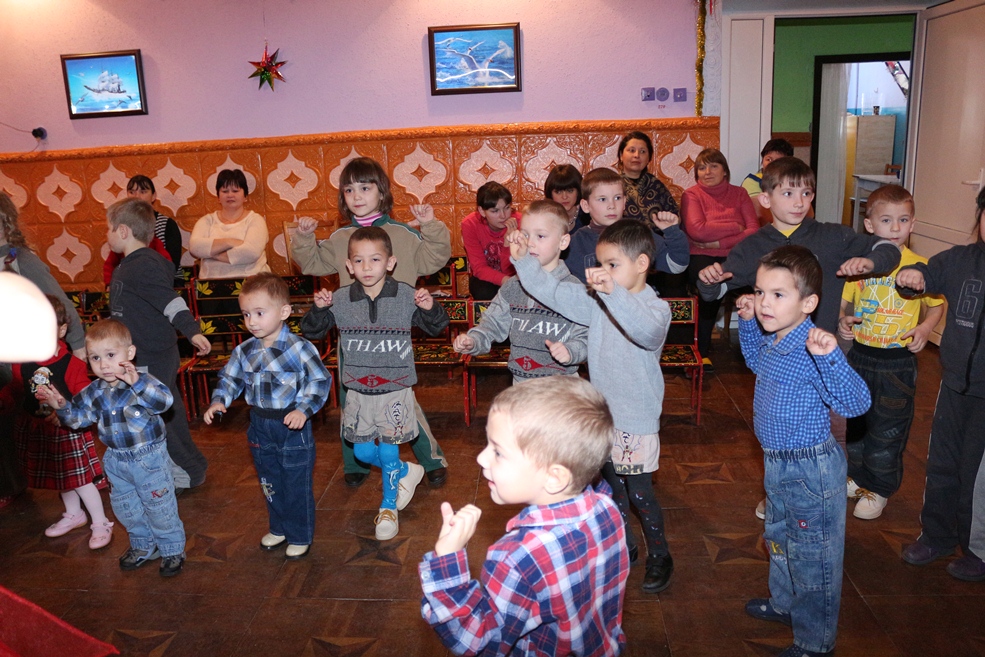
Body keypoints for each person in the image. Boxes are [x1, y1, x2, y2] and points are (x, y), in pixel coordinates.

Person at [697, 157, 900, 520]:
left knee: (834, 432)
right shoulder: (753, 246)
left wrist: (870, 263)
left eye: (806, 193)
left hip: (824, 354)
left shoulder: (834, 236)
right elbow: (717, 288)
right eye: (788, 193)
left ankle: (826, 498)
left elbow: (887, 248)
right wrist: (709, 280)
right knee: (778, 430)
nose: (799, 202)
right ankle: (779, 493)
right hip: (778, 358)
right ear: (766, 199)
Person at [512, 219, 675, 593]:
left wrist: (612, 293)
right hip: (604, 417)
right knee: (613, 491)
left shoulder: (656, 309)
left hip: (635, 422)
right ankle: (624, 545)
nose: (604, 272)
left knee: (640, 494)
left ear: (641, 264)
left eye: (612, 264)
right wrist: (523, 261)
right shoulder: (599, 301)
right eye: (601, 264)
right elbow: (553, 292)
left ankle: (660, 555)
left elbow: (645, 333)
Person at [420, 376, 628, 656]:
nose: (481, 458)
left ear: (554, 477)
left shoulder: (516, 557)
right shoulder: (608, 508)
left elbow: (480, 642)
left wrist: (447, 560)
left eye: (498, 452)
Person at [735, 245, 870, 657]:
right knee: (778, 539)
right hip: (777, 464)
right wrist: (746, 324)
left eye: (778, 294)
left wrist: (831, 358)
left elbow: (856, 403)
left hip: (810, 470)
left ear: (808, 303)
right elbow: (756, 362)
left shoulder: (813, 348)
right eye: (760, 292)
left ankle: (815, 642)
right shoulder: (776, 341)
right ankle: (785, 603)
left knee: (813, 558)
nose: (764, 303)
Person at [291, 157, 451, 489]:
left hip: (393, 333)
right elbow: (312, 263)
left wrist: (431, 225)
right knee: (351, 397)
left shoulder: (403, 234)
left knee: (403, 402)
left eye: (365, 188)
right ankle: (355, 463)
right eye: (349, 190)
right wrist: (305, 239)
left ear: (382, 192)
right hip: (353, 334)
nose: (357, 196)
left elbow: (435, 257)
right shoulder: (340, 237)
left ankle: (430, 459)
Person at [300, 227, 449, 541]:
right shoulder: (341, 299)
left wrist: (429, 307)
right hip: (357, 392)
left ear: (390, 262)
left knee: (390, 453)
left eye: (375, 259)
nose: (367, 267)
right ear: (349, 266)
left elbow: (438, 327)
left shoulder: (406, 295)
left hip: (395, 390)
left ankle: (388, 506)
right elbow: (311, 330)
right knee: (363, 452)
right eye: (359, 260)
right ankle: (407, 471)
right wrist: (319, 308)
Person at [36, 319, 187, 577]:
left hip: (148, 458)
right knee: (126, 508)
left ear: (130, 353)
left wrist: (137, 383)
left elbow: (164, 403)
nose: (103, 364)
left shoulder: (143, 381)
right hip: (116, 459)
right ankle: (143, 545)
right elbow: (79, 420)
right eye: (95, 358)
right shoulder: (93, 391)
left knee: (159, 506)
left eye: (110, 355)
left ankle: (172, 549)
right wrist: (61, 406)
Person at [204, 273, 331, 560]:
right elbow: (230, 379)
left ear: (284, 312)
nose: (252, 321)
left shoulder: (299, 348)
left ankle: (299, 534)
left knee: (295, 484)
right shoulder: (244, 350)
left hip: (292, 426)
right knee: (269, 481)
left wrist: (303, 410)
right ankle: (279, 527)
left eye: (260, 313)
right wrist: (219, 401)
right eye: (246, 314)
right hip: (259, 425)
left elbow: (319, 381)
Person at [895, 186, 985, 582]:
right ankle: (937, 536)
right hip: (953, 386)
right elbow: (926, 276)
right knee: (942, 465)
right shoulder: (960, 260)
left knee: (978, 478)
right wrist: (912, 277)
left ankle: (979, 549)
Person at [838, 185, 944, 520]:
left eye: (903, 220)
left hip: (897, 364)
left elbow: (936, 305)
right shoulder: (862, 264)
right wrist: (842, 320)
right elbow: (843, 300)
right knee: (855, 424)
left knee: (888, 429)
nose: (896, 228)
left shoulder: (920, 266)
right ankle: (856, 478)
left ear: (913, 223)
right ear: (870, 225)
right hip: (859, 357)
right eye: (886, 220)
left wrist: (925, 329)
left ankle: (879, 488)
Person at [105, 198, 212, 490]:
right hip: (147, 354)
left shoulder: (142, 266)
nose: (107, 235)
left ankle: (185, 470)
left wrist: (192, 331)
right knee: (167, 411)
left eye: (109, 229)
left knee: (155, 415)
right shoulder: (133, 265)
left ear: (123, 231)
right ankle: (191, 465)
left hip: (152, 356)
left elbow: (170, 302)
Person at [0, 295, 112, 549]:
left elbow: (85, 398)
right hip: (39, 429)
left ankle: (100, 521)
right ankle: (74, 514)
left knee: (80, 481)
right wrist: (4, 399)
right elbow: (17, 389)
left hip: (66, 430)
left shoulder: (71, 364)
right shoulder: (21, 363)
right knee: (60, 478)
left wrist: (68, 410)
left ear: (61, 330)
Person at [0, 192, 87, 509]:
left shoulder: (19, 259)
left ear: (6, 222)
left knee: (50, 419)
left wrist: (78, 346)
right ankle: (13, 481)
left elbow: (60, 303)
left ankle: (85, 475)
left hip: (23, 357)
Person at [453, 201, 588, 383]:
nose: (530, 243)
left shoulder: (573, 289)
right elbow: (492, 324)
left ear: (563, 242)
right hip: (521, 386)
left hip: (561, 388)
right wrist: (474, 340)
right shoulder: (513, 286)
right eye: (525, 234)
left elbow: (586, 337)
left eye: (540, 236)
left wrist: (571, 351)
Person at [681, 148, 758, 370]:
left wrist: (718, 243)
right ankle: (701, 352)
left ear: (725, 171)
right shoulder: (691, 195)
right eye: (702, 168)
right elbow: (697, 231)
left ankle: (760, 350)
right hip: (701, 256)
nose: (707, 172)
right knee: (709, 288)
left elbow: (754, 231)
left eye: (714, 166)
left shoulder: (740, 194)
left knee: (761, 285)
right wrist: (735, 227)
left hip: (737, 255)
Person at [564, 167, 688, 286]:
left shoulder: (638, 233)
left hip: (633, 300)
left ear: (624, 202)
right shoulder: (574, 244)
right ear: (586, 206)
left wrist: (672, 231)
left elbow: (677, 265)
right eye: (602, 199)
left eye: (617, 198)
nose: (612, 205)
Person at [188, 169, 270, 280]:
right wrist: (230, 242)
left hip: (253, 283)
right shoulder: (207, 221)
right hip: (210, 282)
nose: (230, 195)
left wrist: (211, 253)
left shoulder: (255, 220)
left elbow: (251, 252)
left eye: (235, 191)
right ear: (218, 197)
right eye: (225, 191)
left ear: (245, 196)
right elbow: (195, 247)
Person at [103, 175, 183, 284]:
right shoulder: (123, 228)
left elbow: (171, 263)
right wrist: (110, 284)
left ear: (153, 196)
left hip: (166, 281)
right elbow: (110, 264)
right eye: (132, 192)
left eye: (143, 191)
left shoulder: (166, 224)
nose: (137, 196)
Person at [461, 181, 523, 300]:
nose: (503, 216)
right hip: (487, 278)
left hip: (516, 275)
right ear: (481, 211)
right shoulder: (470, 224)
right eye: (495, 211)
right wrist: (506, 281)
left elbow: (515, 268)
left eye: (507, 208)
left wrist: (508, 244)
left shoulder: (521, 222)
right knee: (483, 290)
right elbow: (479, 268)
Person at [616, 131, 679, 224]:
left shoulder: (656, 186)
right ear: (621, 155)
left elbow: (675, 217)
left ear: (649, 159)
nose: (637, 155)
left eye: (642, 151)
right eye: (632, 150)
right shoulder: (612, 185)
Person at [741, 139, 795, 226]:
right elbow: (760, 213)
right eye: (768, 159)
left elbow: (809, 213)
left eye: (778, 161)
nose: (772, 164)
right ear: (762, 160)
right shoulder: (752, 181)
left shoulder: (793, 181)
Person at [544, 164, 589, 233]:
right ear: (550, 194)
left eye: (570, 191)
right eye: (558, 192)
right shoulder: (543, 216)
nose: (564, 197)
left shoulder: (590, 215)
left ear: (579, 191)